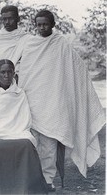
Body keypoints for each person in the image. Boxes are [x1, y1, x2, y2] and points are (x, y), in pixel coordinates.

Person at [14, 10, 105, 191]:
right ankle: (31, 178)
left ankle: (48, 180)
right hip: (32, 100)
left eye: (45, 24)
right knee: (31, 142)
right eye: (38, 24)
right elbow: (22, 68)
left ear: (53, 24)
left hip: (53, 102)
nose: (41, 27)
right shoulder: (30, 44)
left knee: (49, 145)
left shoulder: (61, 44)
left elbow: (77, 67)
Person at [0, 59, 48, 194]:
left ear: (14, 73)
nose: (6, 76)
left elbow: (24, 119)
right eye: (3, 72)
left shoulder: (20, 94)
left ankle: (26, 189)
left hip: (17, 131)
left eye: (9, 72)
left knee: (26, 144)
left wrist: (14, 130)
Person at [0, 5, 28, 80]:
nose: (7, 22)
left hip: (20, 79)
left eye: (10, 19)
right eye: (4, 19)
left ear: (18, 19)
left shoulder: (26, 39)